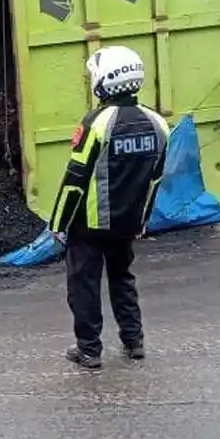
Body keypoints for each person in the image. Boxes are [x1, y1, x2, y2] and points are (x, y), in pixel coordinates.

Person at [47, 45, 170, 370]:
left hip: (89, 224)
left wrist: (58, 224)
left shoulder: (97, 123)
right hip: (128, 222)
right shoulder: (158, 124)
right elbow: (154, 181)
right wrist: (142, 220)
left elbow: (75, 180)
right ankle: (134, 341)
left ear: (103, 81)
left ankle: (89, 349)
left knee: (84, 284)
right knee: (122, 278)